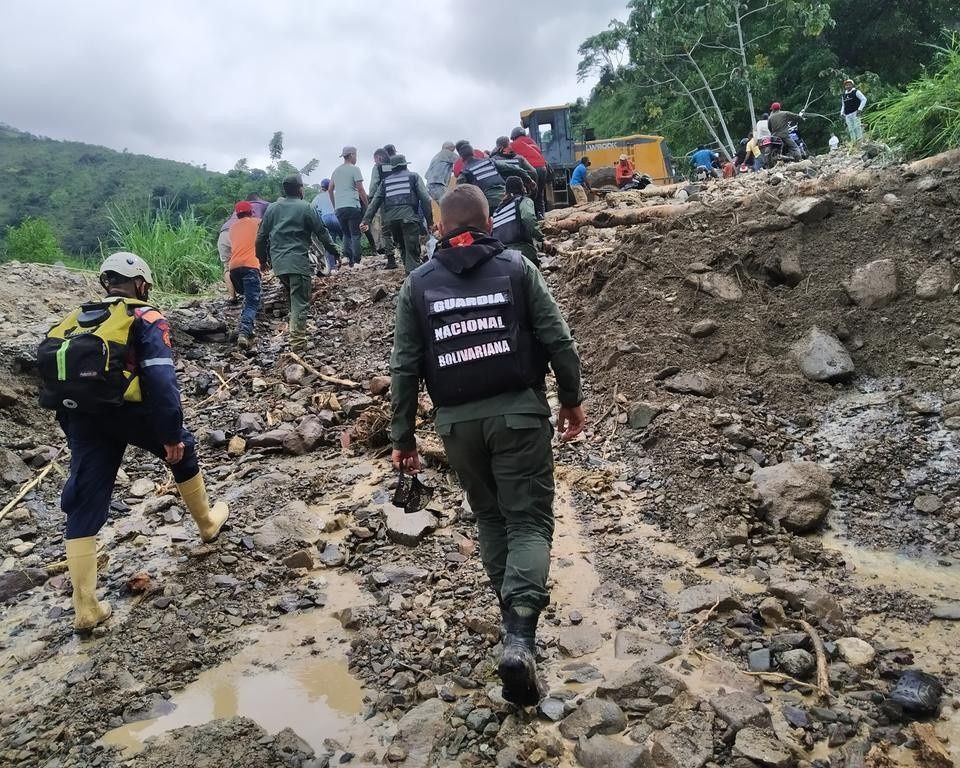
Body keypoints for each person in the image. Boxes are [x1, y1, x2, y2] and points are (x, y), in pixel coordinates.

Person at [389, 184, 584, 706]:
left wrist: (402, 437)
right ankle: (520, 636)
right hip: (519, 415)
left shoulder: (417, 284)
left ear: (439, 230)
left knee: (492, 519)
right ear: (489, 225)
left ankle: (511, 623)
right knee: (528, 522)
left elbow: (405, 367)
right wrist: (571, 399)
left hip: (456, 427)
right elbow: (557, 338)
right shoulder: (518, 268)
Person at [39, 252, 229, 633]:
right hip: (132, 414)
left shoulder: (75, 320)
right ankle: (207, 524)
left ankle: (86, 606)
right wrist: (171, 434)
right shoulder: (146, 317)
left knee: (84, 498)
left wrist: (73, 431)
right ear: (141, 284)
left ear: (106, 283)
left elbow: (56, 382)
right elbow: (160, 380)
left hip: (85, 417)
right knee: (184, 451)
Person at [256, 173, 339, 350]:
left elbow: (261, 238)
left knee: (294, 299)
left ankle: (294, 332)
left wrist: (262, 261)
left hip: (279, 265)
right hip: (298, 263)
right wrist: (335, 252)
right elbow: (322, 233)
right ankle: (297, 343)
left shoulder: (272, 208)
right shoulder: (306, 207)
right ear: (300, 189)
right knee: (301, 301)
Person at [360, 154, 433, 273]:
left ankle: (409, 272)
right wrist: (429, 221)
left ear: (392, 168)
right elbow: (425, 199)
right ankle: (413, 276)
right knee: (412, 249)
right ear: (405, 165)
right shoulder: (413, 177)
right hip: (409, 219)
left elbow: (375, 202)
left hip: (391, 221)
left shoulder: (385, 182)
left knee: (403, 247)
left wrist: (365, 220)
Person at [456, 140, 534, 216]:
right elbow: (514, 168)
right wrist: (529, 180)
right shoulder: (490, 162)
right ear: (473, 153)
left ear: (461, 158)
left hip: (488, 206)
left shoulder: (465, 173)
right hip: (507, 199)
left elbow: (458, 194)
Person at [217, 195, 270, 303]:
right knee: (247, 256)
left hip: (224, 233)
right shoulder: (263, 207)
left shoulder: (236, 214)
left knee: (227, 266)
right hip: (240, 236)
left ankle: (232, 296)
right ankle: (250, 294)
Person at [228, 201, 262, 348]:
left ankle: (244, 325)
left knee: (248, 297)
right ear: (251, 212)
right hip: (250, 265)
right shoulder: (257, 222)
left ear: (237, 214)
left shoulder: (232, 228)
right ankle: (244, 332)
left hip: (234, 268)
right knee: (251, 302)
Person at [328, 146, 368, 267]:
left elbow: (330, 190)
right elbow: (360, 189)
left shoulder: (335, 171)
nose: (356, 158)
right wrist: (367, 204)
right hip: (352, 205)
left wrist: (335, 205)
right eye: (355, 155)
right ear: (351, 155)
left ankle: (346, 258)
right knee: (355, 234)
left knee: (346, 233)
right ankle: (356, 261)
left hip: (339, 208)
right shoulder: (354, 169)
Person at [492, 176, 543, 266]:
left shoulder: (497, 211)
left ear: (506, 191)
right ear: (521, 188)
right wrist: (541, 238)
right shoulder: (523, 201)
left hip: (501, 258)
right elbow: (528, 217)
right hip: (522, 253)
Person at [510, 127, 548, 218]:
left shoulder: (514, 144)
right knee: (539, 195)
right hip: (542, 168)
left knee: (528, 196)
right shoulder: (532, 142)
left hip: (531, 169)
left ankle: (531, 219)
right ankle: (542, 218)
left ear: (514, 136)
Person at [369, 148, 396, 262]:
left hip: (386, 201)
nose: (375, 162)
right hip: (401, 200)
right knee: (400, 227)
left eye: (375, 160)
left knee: (386, 229)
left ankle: (390, 258)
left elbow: (374, 184)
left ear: (379, 158)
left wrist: (371, 198)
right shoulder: (396, 166)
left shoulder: (377, 168)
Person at [312, 179, 343, 273]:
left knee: (329, 243)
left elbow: (312, 209)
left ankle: (332, 268)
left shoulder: (317, 198)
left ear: (322, 188)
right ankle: (350, 261)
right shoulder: (336, 194)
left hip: (326, 219)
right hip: (338, 217)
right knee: (346, 237)